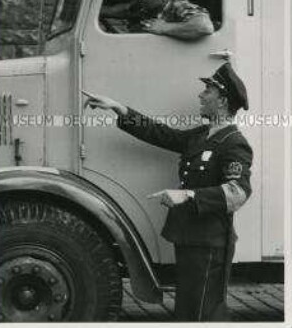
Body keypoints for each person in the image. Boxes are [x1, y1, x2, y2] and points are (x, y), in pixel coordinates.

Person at [84, 62, 253, 321]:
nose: (200, 95)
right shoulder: (203, 135)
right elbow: (162, 134)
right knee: (188, 313)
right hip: (189, 238)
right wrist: (120, 108)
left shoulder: (234, 144)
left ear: (222, 101)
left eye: (207, 90)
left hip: (209, 245)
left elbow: (237, 192)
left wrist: (188, 195)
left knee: (204, 314)